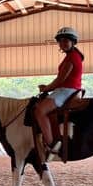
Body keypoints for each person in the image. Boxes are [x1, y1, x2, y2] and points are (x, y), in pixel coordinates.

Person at [34, 26, 84, 154]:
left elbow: (60, 80)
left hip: (66, 90)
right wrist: (49, 87)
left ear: (73, 42)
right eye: (60, 41)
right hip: (69, 89)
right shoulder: (74, 55)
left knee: (40, 110)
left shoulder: (72, 57)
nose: (63, 44)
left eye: (66, 41)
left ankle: (52, 144)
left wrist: (46, 88)